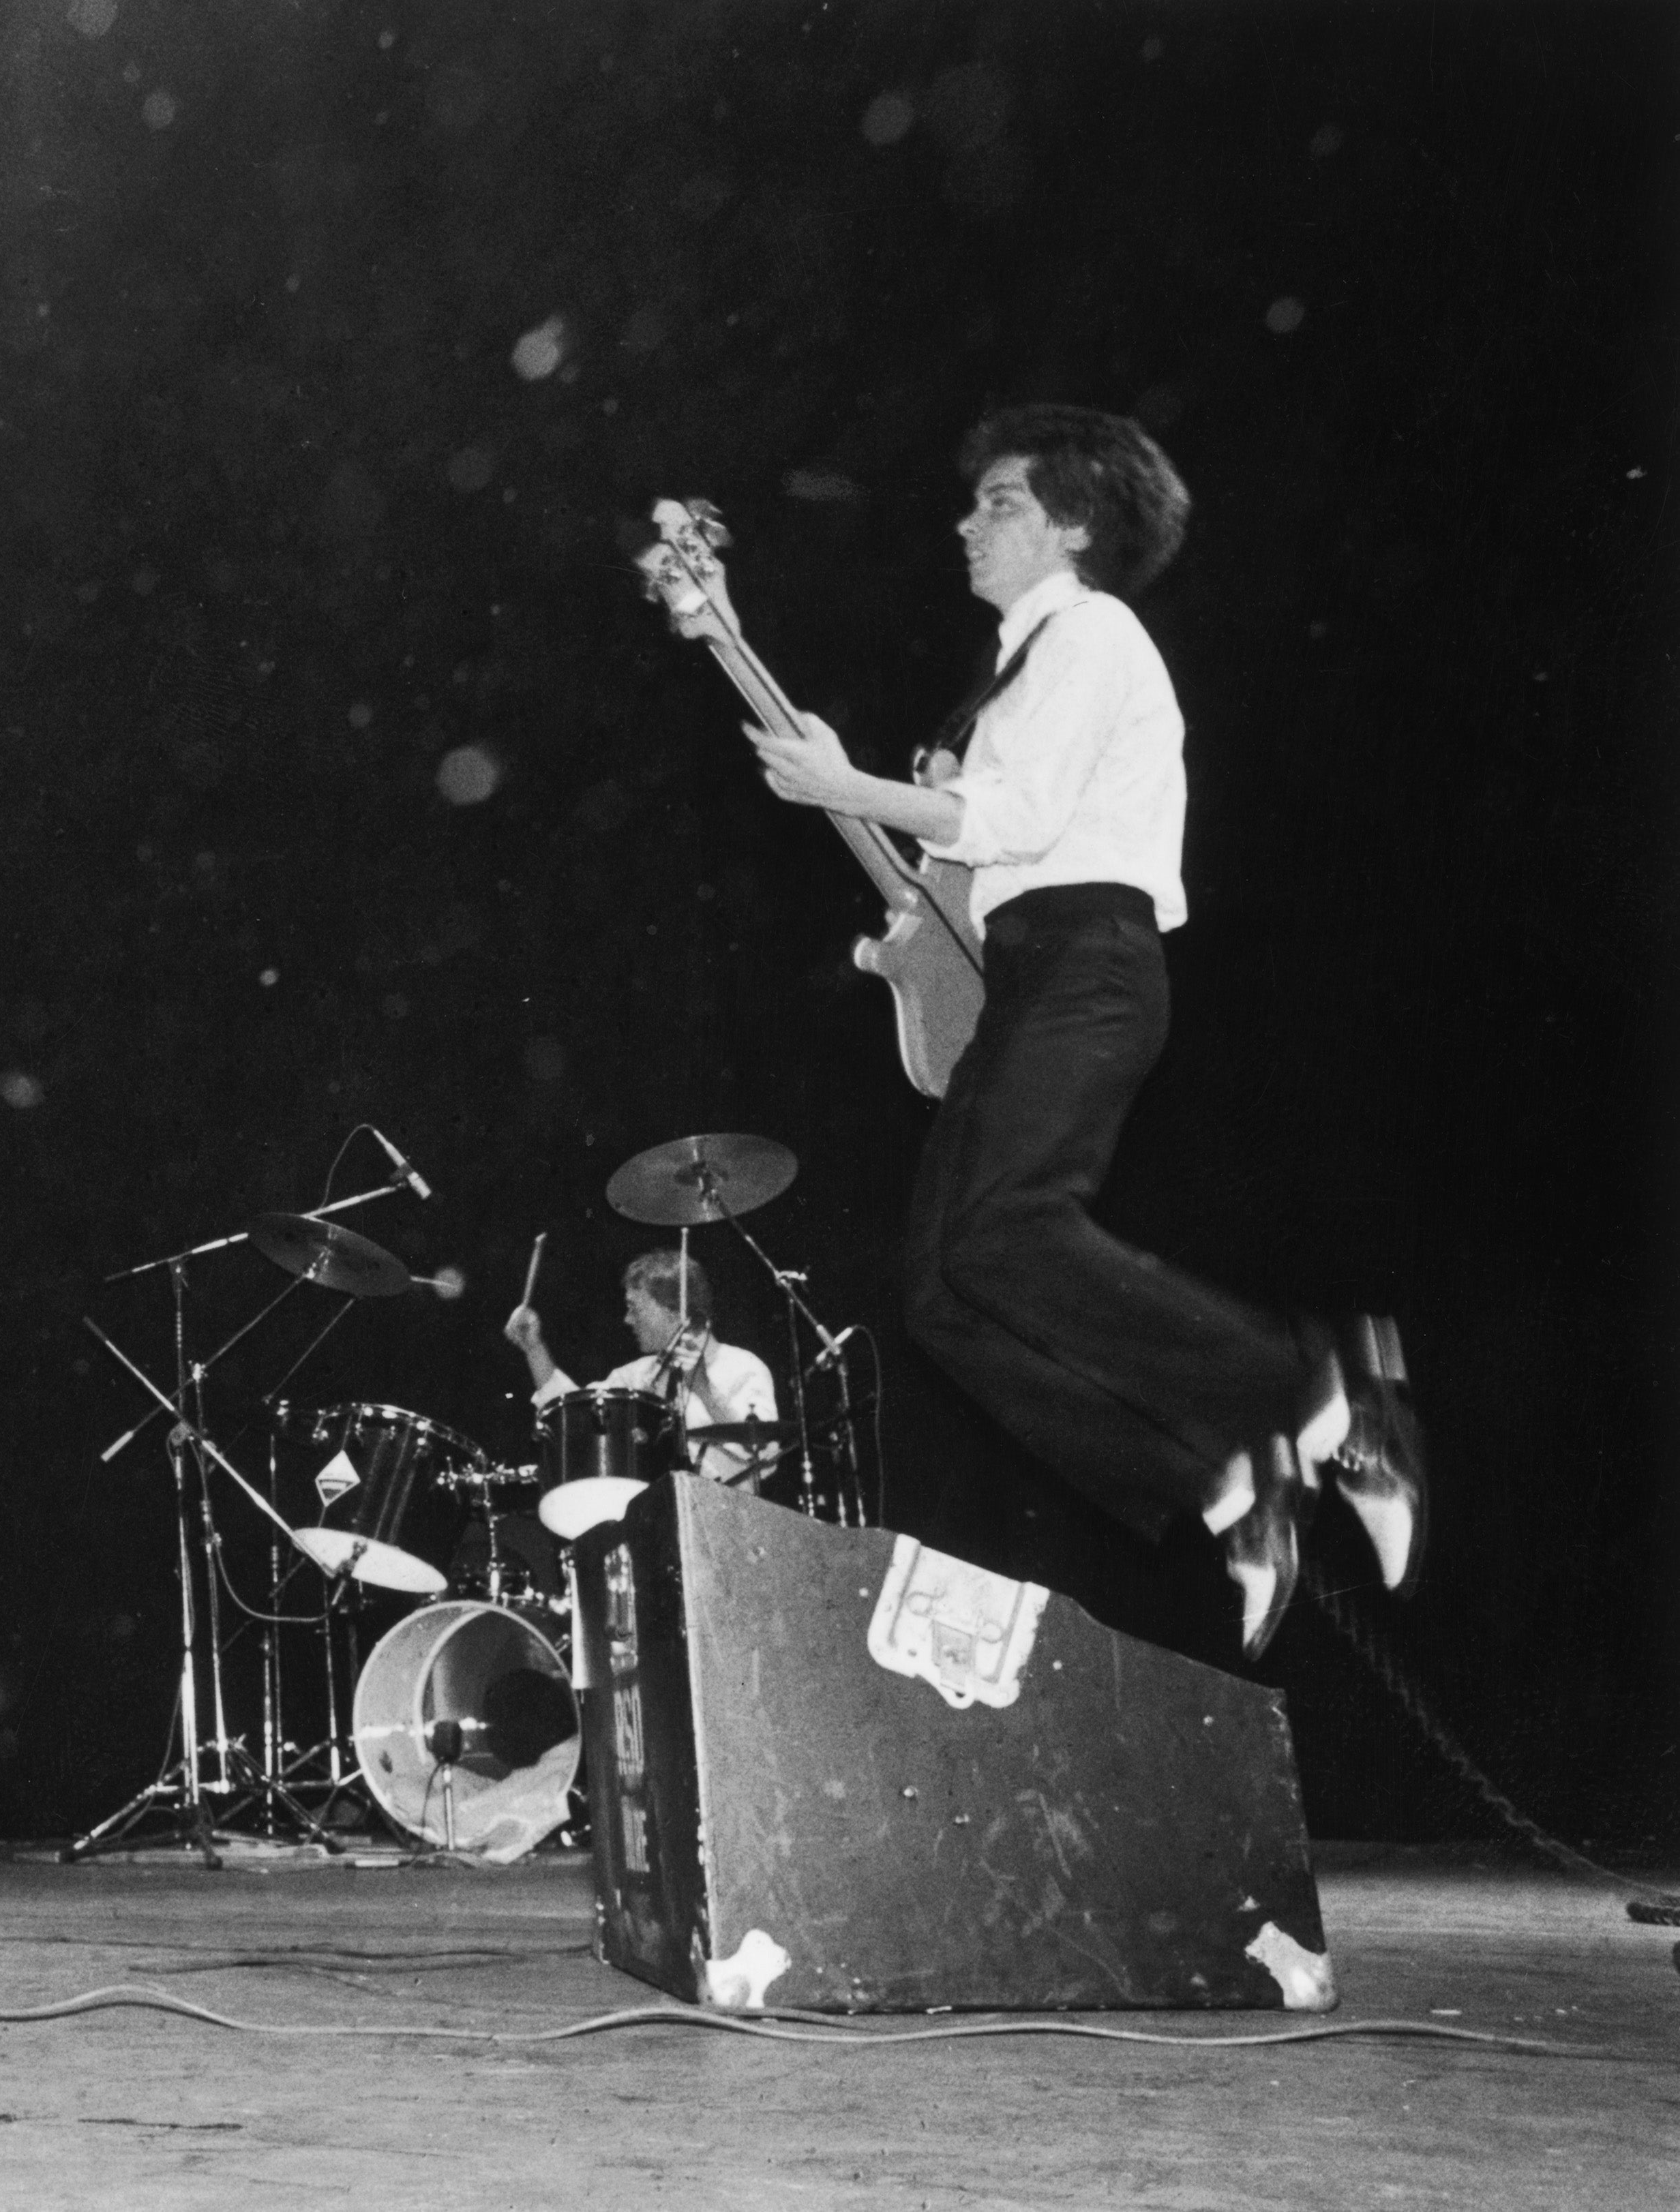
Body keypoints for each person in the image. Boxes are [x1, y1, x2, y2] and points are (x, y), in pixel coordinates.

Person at [739, 402, 1423, 1655]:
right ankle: (1230, 1479)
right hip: (1028, 970)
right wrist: (897, 906)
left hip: (1092, 962)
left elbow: (1017, 817)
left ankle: (1329, 1391)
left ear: (1073, 525)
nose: (967, 520)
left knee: (1010, 1227)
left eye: (998, 501)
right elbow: (974, 855)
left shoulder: (1093, 632)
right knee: (945, 1293)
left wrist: (850, 789)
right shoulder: (1010, 677)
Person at [505, 1249, 779, 1485]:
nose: (627, 1319)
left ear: (676, 1310)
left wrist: (706, 1393)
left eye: (635, 1308)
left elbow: (766, 1456)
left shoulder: (743, 1366)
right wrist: (534, 1348)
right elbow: (576, 1414)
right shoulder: (637, 1375)